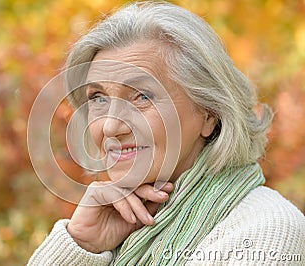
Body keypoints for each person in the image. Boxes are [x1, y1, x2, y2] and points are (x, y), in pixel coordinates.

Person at [27, 1, 305, 265]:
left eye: (141, 97)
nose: (110, 127)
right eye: (99, 98)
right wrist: (80, 245)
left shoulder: (265, 231)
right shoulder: (112, 229)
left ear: (209, 112)